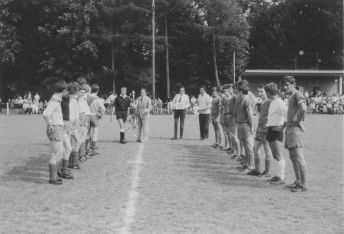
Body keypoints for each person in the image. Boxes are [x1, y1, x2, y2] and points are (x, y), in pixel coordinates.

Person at [282, 76, 308, 192]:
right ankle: (297, 182)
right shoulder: (291, 96)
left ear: (293, 84)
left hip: (294, 130)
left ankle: (304, 185)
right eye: (284, 85)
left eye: (287, 85)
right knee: (293, 157)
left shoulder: (297, 94)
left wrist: (298, 120)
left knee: (299, 158)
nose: (285, 87)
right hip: (289, 129)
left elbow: (303, 108)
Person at [42, 80, 68, 185]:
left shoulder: (56, 99)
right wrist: (50, 124)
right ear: (64, 90)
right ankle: (52, 178)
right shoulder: (54, 101)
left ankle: (56, 175)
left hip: (59, 127)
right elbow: (45, 113)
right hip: (56, 128)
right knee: (54, 154)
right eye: (66, 91)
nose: (67, 93)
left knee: (59, 152)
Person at [264, 82, 288, 185]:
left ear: (269, 92)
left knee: (278, 155)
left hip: (276, 130)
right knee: (275, 155)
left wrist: (281, 128)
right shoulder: (272, 102)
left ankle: (281, 178)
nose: (266, 94)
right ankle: (279, 176)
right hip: (270, 129)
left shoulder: (279, 102)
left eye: (266, 92)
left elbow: (287, 116)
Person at [247, 86, 273, 177]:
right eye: (259, 92)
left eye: (262, 92)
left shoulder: (270, 102)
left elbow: (278, 113)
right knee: (255, 149)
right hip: (259, 129)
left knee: (267, 150)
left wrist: (269, 124)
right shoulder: (262, 102)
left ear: (267, 92)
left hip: (266, 130)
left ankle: (267, 171)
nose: (260, 93)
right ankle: (257, 170)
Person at [234, 82, 254, 173]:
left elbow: (250, 115)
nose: (237, 93)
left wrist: (252, 127)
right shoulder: (240, 99)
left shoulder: (247, 100)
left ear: (241, 91)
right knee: (245, 146)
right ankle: (247, 164)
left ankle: (250, 166)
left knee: (249, 147)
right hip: (240, 124)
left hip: (245, 125)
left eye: (238, 91)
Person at [87, 84, 106, 153]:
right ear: (98, 90)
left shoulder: (87, 97)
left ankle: (86, 149)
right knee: (94, 133)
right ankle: (93, 149)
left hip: (87, 116)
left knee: (87, 133)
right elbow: (103, 108)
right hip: (94, 116)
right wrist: (100, 115)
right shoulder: (98, 99)